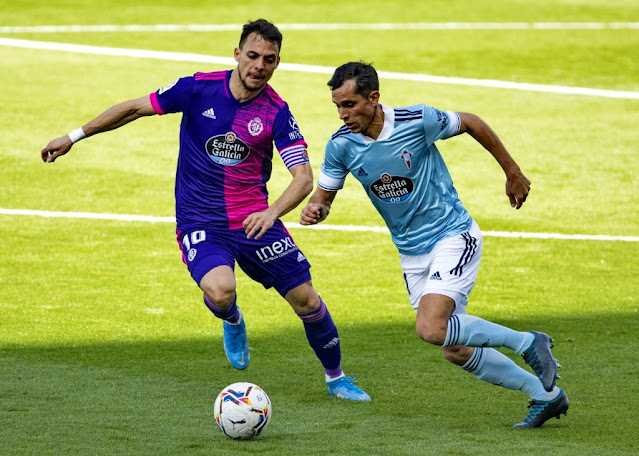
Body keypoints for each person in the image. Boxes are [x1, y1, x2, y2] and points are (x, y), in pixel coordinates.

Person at [41, 20, 370, 402]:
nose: (259, 66)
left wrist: (272, 212)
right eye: (252, 56)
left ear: (277, 63)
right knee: (221, 291)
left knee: (307, 300)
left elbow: (302, 177)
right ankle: (232, 318)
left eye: (269, 59)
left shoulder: (277, 111)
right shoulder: (198, 88)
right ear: (237, 54)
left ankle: (337, 379)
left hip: (254, 221)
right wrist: (73, 136)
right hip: (201, 221)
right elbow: (133, 108)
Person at [300, 61, 569, 427]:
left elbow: (471, 121)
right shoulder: (341, 145)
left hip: (452, 234)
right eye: (337, 106)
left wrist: (512, 171)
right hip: (412, 254)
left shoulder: (416, 121)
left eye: (349, 104)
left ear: (374, 98)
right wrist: (317, 208)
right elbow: (324, 196)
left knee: (430, 327)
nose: (343, 114)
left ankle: (528, 341)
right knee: (453, 347)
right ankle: (546, 396)